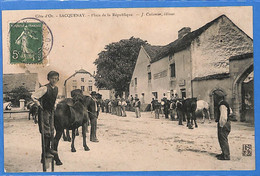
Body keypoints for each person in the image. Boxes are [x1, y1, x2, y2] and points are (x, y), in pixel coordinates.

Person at [31, 71, 59, 161]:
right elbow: (33, 96)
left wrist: (54, 106)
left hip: (51, 111)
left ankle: (48, 150)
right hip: (44, 111)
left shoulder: (56, 88)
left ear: (58, 79)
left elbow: (54, 99)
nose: (54, 80)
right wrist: (39, 105)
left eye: (55, 78)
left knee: (51, 130)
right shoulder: (44, 88)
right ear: (48, 79)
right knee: (45, 131)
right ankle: (46, 151)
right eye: (52, 78)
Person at [215, 96, 231, 160]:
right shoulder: (225, 103)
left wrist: (221, 125)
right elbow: (231, 112)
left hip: (223, 124)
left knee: (223, 139)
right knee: (222, 139)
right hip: (227, 123)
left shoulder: (222, 105)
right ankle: (224, 153)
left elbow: (223, 117)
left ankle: (226, 156)